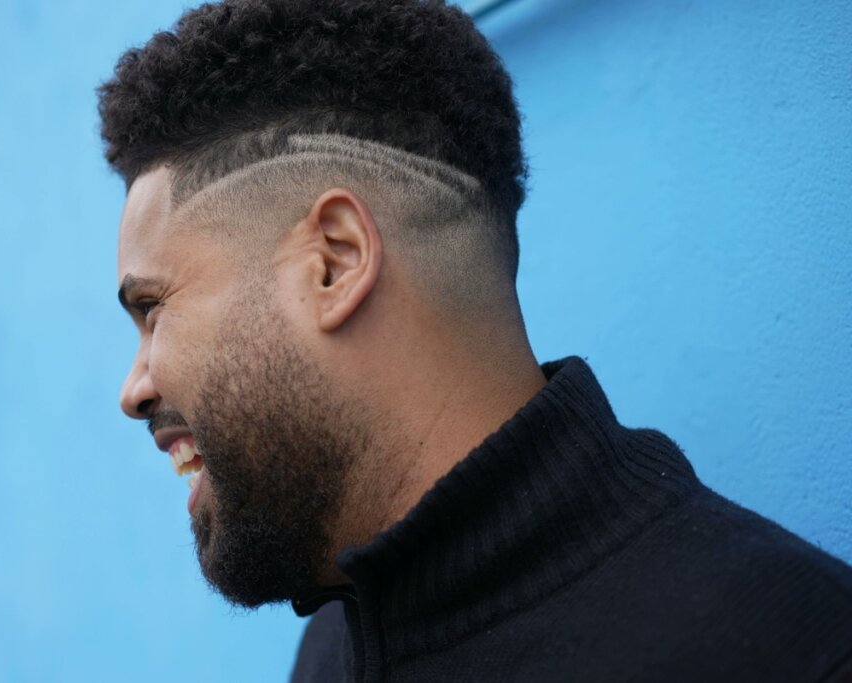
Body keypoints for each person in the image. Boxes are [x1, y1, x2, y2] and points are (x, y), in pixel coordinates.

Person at [97, 1, 852, 680]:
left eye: (153, 306)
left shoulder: (794, 648)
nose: (134, 389)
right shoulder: (338, 640)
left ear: (335, 259)